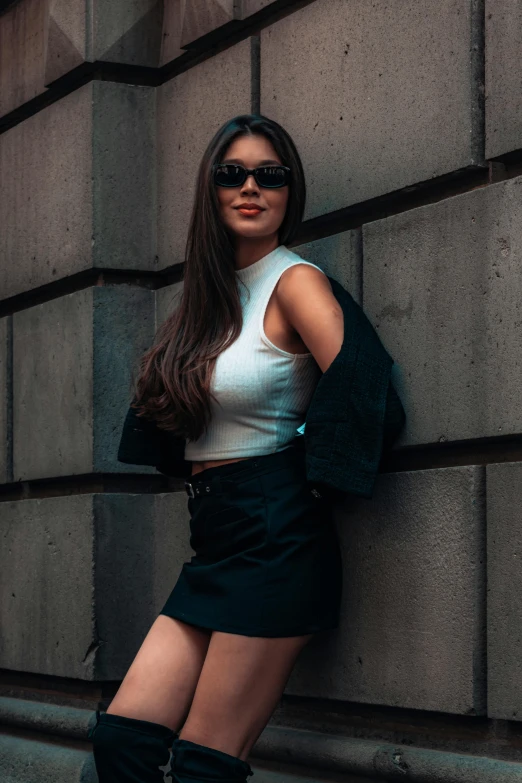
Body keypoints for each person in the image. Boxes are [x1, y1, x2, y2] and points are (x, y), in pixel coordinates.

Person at [89, 113, 346, 783]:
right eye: (233, 174)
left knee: (203, 767)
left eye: (271, 174)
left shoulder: (296, 282)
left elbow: (359, 386)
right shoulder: (210, 299)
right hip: (216, 537)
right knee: (122, 741)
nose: (251, 187)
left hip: (276, 533)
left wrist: (308, 473)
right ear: (211, 189)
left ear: (291, 191)